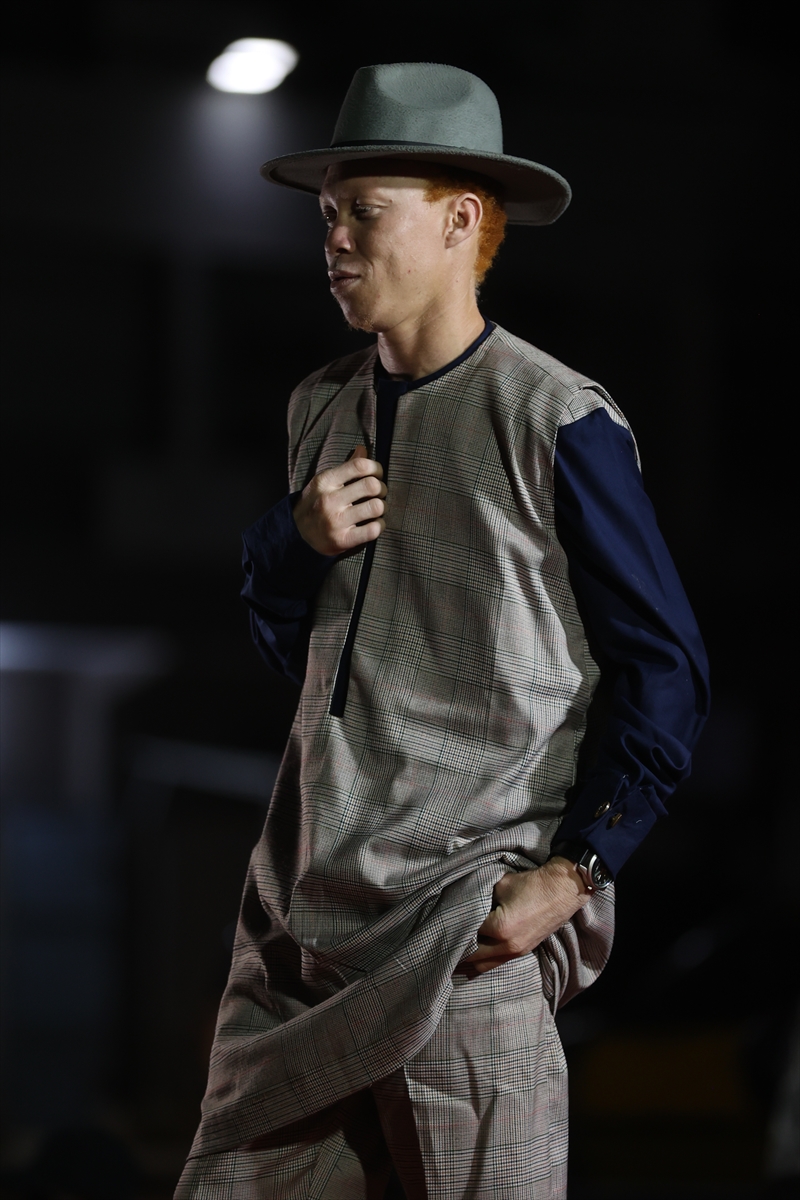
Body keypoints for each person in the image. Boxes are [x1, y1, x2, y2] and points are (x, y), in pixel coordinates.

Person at [175, 63, 709, 1200]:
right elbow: (307, 665)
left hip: (464, 927)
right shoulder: (318, 407)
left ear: (461, 220)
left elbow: (664, 666)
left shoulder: (554, 415)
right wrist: (289, 547)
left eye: (364, 212)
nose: (334, 240)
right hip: (299, 930)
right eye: (327, 215)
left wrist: (574, 871)